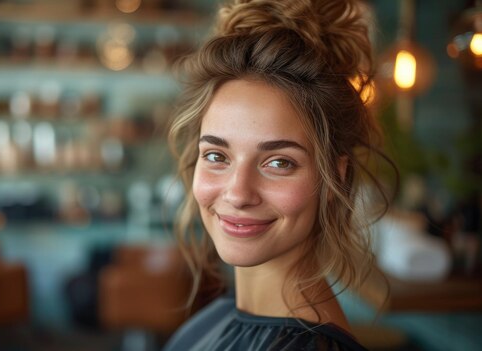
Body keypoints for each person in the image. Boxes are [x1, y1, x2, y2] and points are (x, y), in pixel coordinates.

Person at [163, 0, 395, 350]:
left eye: (278, 162)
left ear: (334, 174)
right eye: (216, 155)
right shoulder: (215, 318)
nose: (238, 193)